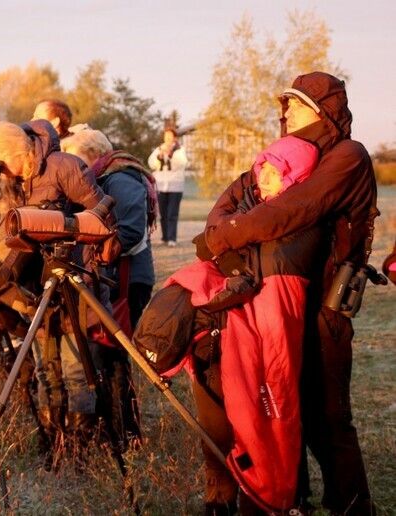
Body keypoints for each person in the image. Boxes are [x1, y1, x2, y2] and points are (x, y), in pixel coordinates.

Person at [204, 72, 378, 515]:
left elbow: (291, 211)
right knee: (279, 407)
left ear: (324, 111)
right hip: (275, 299)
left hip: (325, 306)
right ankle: (289, 499)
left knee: (328, 418)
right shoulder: (283, 156)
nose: (285, 113)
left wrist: (227, 235)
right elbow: (225, 204)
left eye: (295, 104)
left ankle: (352, 507)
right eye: (283, 105)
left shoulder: (347, 156)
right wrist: (222, 232)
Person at [158, 135, 320, 514]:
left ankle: (266, 493)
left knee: (268, 407)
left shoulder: (299, 219)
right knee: (219, 409)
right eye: (261, 168)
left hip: (268, 321)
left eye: (274, 173)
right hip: (224, 327)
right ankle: (222, 494)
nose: (263, 178)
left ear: (295, 177)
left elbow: (244, 250)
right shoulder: (250, 207)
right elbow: (206, 243)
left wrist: (228, 243)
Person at [0, 120, 105, 458]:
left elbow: (102, 214)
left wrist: (68, 236)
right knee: (47, 370)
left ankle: (82, 451)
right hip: (38, 289)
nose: (1, 172)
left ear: (16, 152)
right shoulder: (16, 182)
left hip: (74, 282)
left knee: (76, 370)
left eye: (1, 163)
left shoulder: (64, 166)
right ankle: (54, 444)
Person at [61, 128, 158, 449]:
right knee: (106, 352)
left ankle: (127, 432)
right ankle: (114, 430)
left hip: (127, 278)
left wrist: (86, 241)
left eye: (75, 158)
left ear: (89, 153)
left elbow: (128, 232)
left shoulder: (121, 178)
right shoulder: (108, 176)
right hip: (114, 276)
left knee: (117, 353)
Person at [148, 128, 188, 246]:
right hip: (160, 186)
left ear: (175, 138)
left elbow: (182, 163)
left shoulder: (180, 150)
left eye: (170, 137)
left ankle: (172, 238)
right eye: (166, 137)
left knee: (172, 213)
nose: (168, 139)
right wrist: (160, 156)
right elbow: (151, 163)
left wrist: (170, 154)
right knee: (163, 214)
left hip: (175, 186)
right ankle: (164, 237)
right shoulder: (158, 149)